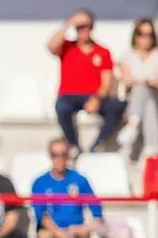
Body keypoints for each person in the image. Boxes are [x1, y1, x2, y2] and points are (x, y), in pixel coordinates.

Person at [48, 9, 123, 153]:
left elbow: (107, 79)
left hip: (93, 96)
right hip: (69, 96)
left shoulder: (102, 51)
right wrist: (68, 23)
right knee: (61, 108)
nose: (83, 30)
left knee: (116, 107)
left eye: (86, 26)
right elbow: (51, 46)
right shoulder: (67, 48)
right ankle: (74, 145)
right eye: (79, 27)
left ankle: (97, 144)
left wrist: (97, 98)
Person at [115, 18, 158, 156]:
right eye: (142, 34)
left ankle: (133, 125)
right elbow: (127, 81)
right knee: (146, 101)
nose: (146, 39)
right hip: (132, 100)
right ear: (136, 36)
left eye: (150, 35)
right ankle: (153, 146)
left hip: (157, 98)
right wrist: (149, 81)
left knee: (145, 94)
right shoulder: (127, 56)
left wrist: (141, 82)